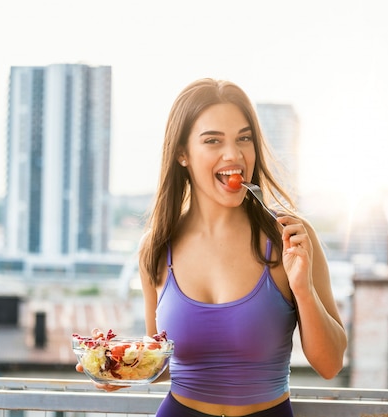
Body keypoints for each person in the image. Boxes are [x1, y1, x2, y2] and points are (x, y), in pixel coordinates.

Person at [80, 78, 347, 416]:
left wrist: (303, 289)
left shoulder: (290, 238)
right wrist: (118, 370)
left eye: (244, 138)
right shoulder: (157, 246)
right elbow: (162, 364)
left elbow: (330, 365)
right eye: (213, 140)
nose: (233, 154)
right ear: (182, 153)